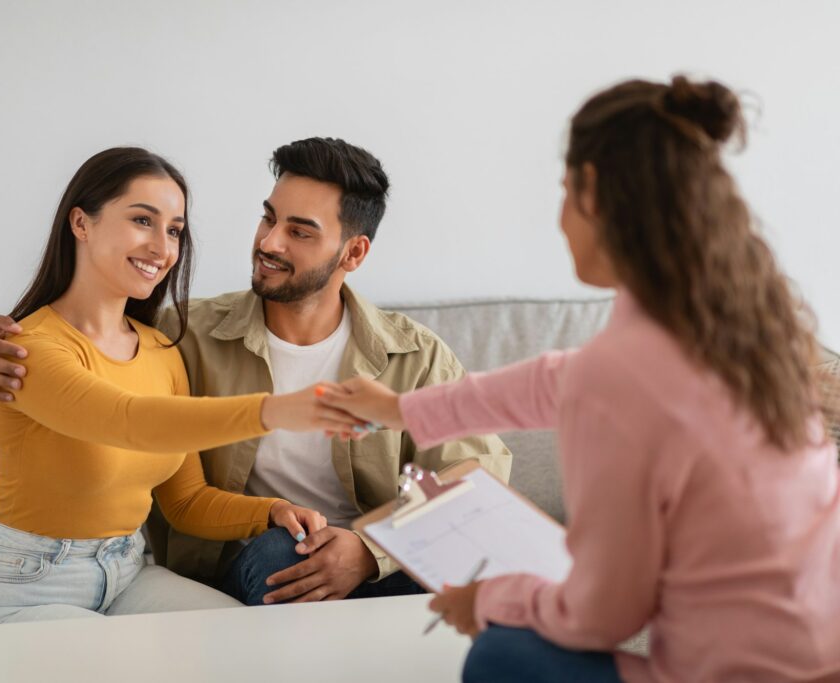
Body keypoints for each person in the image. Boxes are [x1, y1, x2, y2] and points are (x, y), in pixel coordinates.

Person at [319, 77, 840, 682]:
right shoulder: (744, 331)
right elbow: (554, 381)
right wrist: (403, 410)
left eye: (566, 191)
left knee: (501, 653)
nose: (561, 218)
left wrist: (487, 601)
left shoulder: (619, 375)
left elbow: (603, 613)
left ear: (594, 192)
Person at [0, 137, 514, 607]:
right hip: (264, 558)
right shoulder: (187, 335)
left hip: (380, 549)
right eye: (269, 218)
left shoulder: (414, 356)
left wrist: (367, 550)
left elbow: (474, 478)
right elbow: (107, 397)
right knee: (282, 560)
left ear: (353, 252)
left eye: (300, 231)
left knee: (483, 557)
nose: (268, 242)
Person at [0, 147, 363, 661]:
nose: (161, 246)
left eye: (174, 230)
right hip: (20, 590)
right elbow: (126, 421)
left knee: (262, 653)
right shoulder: (29, 346)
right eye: (143, 220)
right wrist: (277, 408)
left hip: (127, 575)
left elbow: (186, 501)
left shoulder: (162, 350)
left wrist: (273, 511)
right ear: (81, 222)